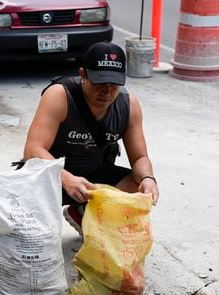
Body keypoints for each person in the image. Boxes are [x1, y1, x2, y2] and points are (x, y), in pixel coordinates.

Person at [23, 41, 159, 235]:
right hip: (52, 177)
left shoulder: (129, 105)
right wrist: (66, 179)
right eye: (100, 82)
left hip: (94, 176)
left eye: (114, 84)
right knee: (27, 229)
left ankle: (81, 212)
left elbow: (139, 158)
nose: (107, 91)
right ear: (83, 75)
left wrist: (148, 178)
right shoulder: (59, 95)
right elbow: (33, 150)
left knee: (139, 187)